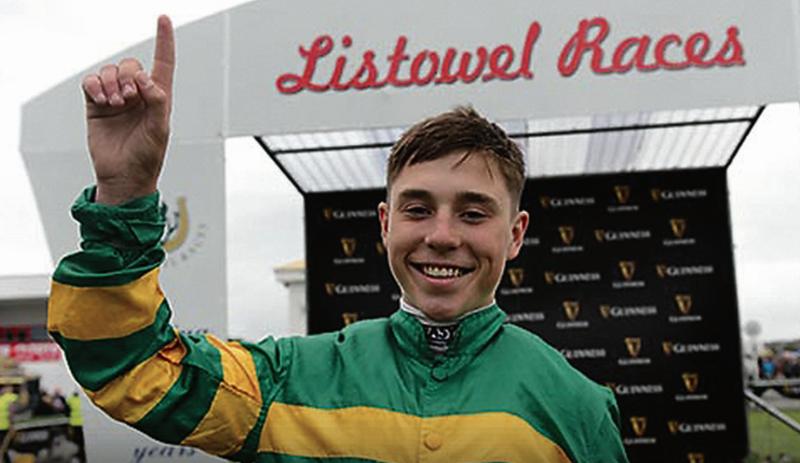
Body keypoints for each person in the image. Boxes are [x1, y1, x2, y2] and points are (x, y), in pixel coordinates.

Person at [47, 15, 628, 463]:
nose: (443, 236)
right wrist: (124, 192)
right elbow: (128, 366)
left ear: (516, 233)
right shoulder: (289, 377)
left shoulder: (574, 405)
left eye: (474, 214)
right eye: (418, 209)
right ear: (385, 224)